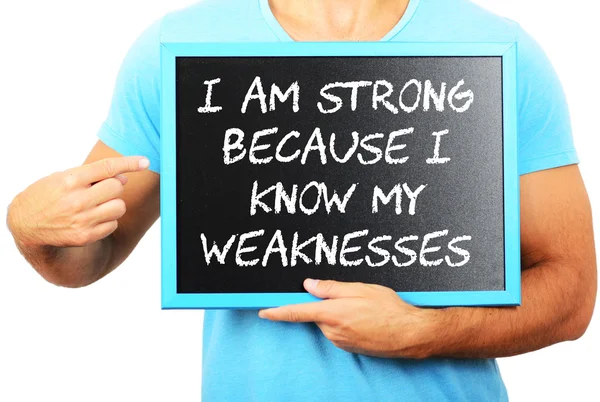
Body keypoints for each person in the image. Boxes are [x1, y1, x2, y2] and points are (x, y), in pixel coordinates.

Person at [6, 0, 597, 400]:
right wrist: (31, 227)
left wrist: (424, 332)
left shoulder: (495, 48)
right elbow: (89, 258)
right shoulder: (179, 46)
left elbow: (571, 294)